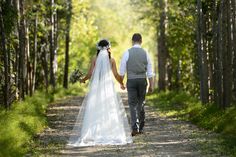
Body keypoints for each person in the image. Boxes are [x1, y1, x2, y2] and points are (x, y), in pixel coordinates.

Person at [67, 39, 132, 147]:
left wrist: (83, 79)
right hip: (108, 87)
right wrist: (122, 83)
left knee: (95, 108)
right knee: (109, 109)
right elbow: (116, 75)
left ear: (98, 48)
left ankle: (94, 133)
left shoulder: (94, 59)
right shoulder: (111, 60)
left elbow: (90, 74)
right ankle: (109, 132)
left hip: (96, 87)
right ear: (108, 48)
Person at [120, 33, 154, 136]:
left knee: (132, 104)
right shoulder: (145, 53)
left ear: (132, 41)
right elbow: (150, 71)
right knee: (141, 103)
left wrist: (121, 83)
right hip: (142, 81)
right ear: (141, 41)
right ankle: (141, 126)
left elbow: (122, 70)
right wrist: (151, 85)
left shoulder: (127, 52)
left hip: (131, 81)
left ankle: (135, 128)